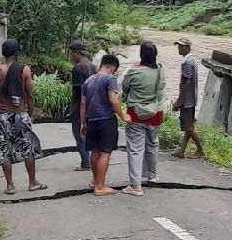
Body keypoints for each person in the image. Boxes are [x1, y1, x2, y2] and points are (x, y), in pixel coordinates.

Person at [0, 39, 46, 195]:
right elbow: (30, 95)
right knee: (28, 148)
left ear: (3, 53)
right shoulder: (24, 70)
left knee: (5, 149)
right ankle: (32, 182)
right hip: (20, 114)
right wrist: (30, 114)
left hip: (4, 116)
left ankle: (10, 186)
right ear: (16, 54)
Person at [120, 42, 166, 196]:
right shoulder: (161, 69)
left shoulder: (134, 71)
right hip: (156, 113)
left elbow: (124, 87)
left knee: (135, 148)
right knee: (153, 144)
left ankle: (135, 186)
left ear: (141, 54)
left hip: (136, 114)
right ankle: (152, 176)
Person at [80, 54, 129, 196]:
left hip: (91, 120)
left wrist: (83, 123)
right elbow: (113, 100)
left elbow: (83, 103)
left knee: (95, 151)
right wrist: (123, 116)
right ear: (113, 68)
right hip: (106, 120)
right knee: (106, 152)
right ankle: (100, 187)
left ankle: (95, 181)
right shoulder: (110, 78)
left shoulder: (88, 81)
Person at [172, 37, 204, 159]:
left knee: (189, 127)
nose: (178, 48)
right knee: (188, 126)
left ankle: (200, 150)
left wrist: (179, 100)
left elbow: (187, 83)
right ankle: (181, 151)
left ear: (187, 47)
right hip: (191, 99)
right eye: (178, 45)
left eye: (181, 46)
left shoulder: (187, 62)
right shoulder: (191, 60)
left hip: (187, 101)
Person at [69, 41, 98, 172]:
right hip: (93, 106)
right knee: (90, 135)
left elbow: (81, 92)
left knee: (79, 134)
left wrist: (80, 110)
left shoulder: (78, 68)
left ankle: (86, 163)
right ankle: (92, 160)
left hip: (80, 107)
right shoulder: (93, 67)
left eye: (72, 54)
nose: (71, 57)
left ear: (77, 52)